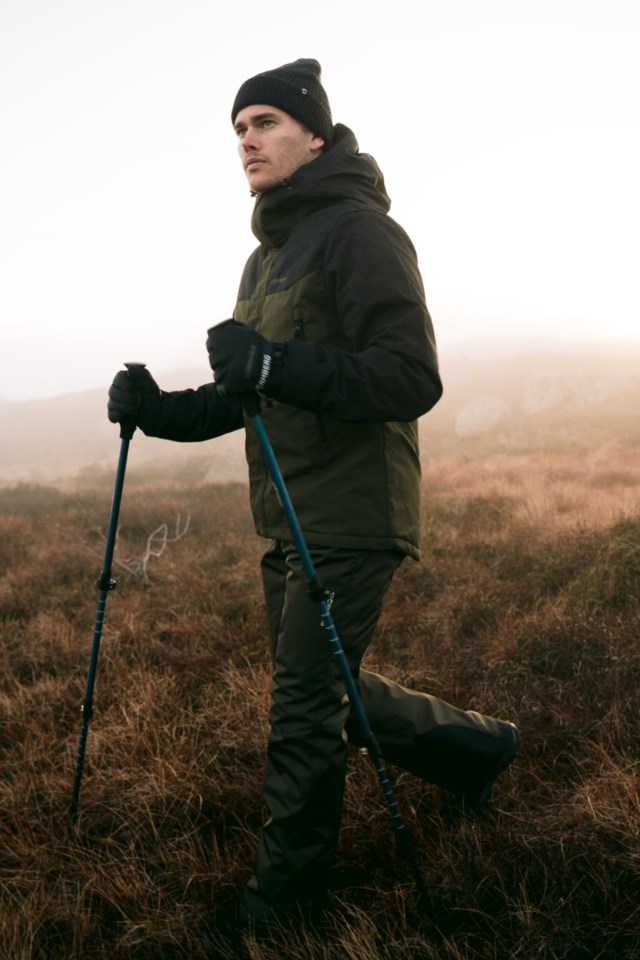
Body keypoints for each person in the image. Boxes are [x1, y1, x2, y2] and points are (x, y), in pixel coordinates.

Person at [107, 58, 519, 934]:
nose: (247, 140)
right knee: (325, 685)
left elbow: (410, 374)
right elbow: (243, 395)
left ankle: (279, 910)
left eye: (264, 123)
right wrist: (155, 412)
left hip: (352, 509)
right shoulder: (267, 260)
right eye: (238, 129)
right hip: (286, 513)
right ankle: (481, 748)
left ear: (316, 138)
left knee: (301, 709)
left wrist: (277, 362)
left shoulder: (362, 234)